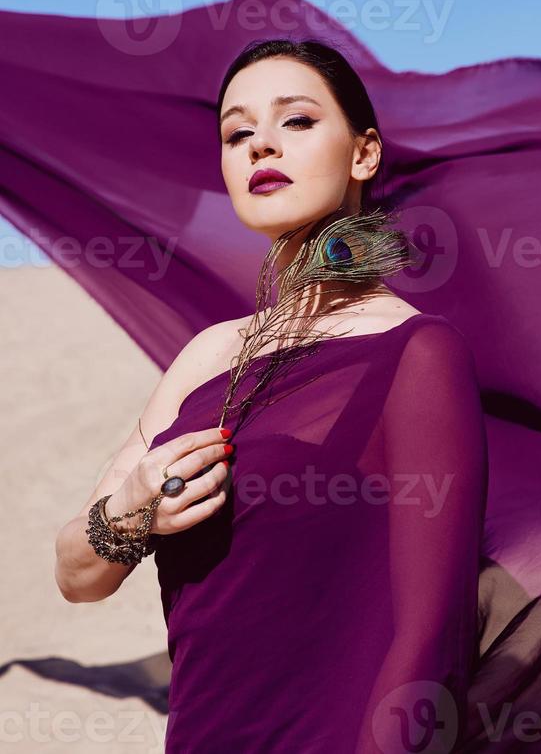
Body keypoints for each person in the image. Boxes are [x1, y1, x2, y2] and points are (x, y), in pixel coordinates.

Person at [54, 39, 489, 753]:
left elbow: (430, 641)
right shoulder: (206, 354)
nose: (260, 145)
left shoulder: (416, 353)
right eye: (236, 131)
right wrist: (132, 510)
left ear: (364, 154)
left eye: (296, 121)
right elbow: (78, 576)